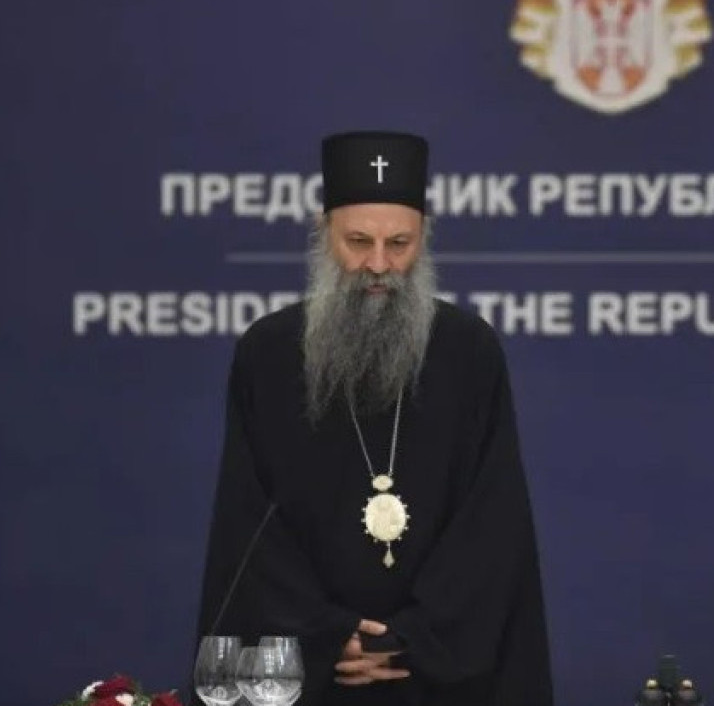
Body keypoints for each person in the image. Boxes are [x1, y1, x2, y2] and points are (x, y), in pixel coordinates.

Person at [194, 131, 553, 706]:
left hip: (438, 678)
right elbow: (246, 522)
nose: (379, 265)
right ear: (323, 233)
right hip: (302, 675)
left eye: (399, 243)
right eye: (358, 241)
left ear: (424, 237)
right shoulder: (269, 353)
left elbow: (493, 522)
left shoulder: (469, 351)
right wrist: (322, 633)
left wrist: (416, 635)